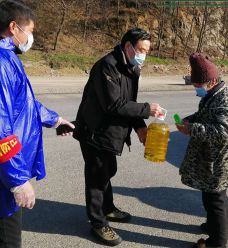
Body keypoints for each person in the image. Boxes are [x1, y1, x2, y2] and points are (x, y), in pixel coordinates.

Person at [0, 1, 74, 247]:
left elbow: (22, 105)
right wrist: (17, 181)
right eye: (29, 31)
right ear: (13, 27)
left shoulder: (3, 58)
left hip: (1, 172)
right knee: (6, 241)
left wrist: (55, 120)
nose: (31, 37)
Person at [73, 28, 162, 246]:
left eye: (147, 51)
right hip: (95, 131)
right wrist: (147, 109)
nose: (144, 55)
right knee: (97, 178)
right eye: (141, 49)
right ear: (128, 46)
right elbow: (113, 104)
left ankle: (108, 208)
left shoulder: (132, 68)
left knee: (108, 171)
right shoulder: (107, 65)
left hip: (111, 132)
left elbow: (129, 101)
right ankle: (98, 223)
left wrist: (140, 126)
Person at [175, 53, 228, 248]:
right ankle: (221, 227)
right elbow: (205, 115)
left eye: (198, 85)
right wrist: (191, 120)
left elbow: (224, 131)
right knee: (217, 196)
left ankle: (217, 242)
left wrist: (192, 129)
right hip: (213, 158)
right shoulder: (214, 94)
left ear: (212, 81)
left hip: (220, 160)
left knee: (214, 200)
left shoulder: (227, 99)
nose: (197, 89)